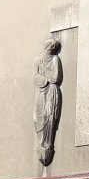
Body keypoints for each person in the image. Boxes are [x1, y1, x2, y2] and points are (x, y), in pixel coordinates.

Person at [33, 38, 63, 166]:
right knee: (38, 115)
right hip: (42, 91)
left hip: (52, 91)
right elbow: (35, 76)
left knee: (50, 116)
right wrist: (46, 79)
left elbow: (56, 78)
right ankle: (41, 142)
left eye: (54, 46)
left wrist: (46, 77)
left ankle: (48, 144)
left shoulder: (56, 59)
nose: (51, 48)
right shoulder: (38, 60)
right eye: (50, 45)